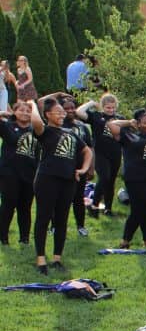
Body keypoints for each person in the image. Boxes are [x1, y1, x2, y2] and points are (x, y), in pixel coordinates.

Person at [33, 97, 91, 274]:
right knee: (43, 218)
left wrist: (83, 169)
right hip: (47, 179)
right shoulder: (45, 131)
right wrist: (31, 104)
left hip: (68, 181)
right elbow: (35, 120)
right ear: (47, 115)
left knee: (62, 219)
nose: (61, 114)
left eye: (62, 112)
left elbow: (87, 150)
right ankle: (41, 259)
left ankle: (57, 258)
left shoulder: (71, 132)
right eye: (58, 112)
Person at [108, 110, 146, 251]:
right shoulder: (130, 136)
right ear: (138, 124)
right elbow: (112, 125)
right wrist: (129, 122)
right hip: (136, 180)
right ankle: (125, 241)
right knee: (138, 210)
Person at [0, 101, 39, 246]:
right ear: (14, 112)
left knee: (25, 207)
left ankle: (24, 239)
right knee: (8, 205)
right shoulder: (7, 126)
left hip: (29, 173)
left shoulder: (35, 130)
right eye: (21, 110)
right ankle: (3, 237)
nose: (25, 113)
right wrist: (3, 114)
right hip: (9, 173)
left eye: (28, 111)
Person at [76, 94, 122, 216]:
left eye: (113, 107)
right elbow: (79, 112)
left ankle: (108, 208)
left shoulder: (119, 118)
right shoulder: (96, 116)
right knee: (104, 177)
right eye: (108, 107)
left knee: (111, 181)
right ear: (102, 107)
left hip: (116, 153)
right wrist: (91, 103)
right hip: (100, 153)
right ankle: (94, 205)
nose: (111, 110)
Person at [59, 95, 94, 237]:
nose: (70, 110)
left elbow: (90, 148)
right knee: (61, 198)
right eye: (66, 108)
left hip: (81, 167)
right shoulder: (59, 125)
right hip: (62, 167)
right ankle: (57, 226)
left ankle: (81, 226)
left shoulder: (83, 127)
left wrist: (90, 167)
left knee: (78, 198)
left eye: (72, 107)